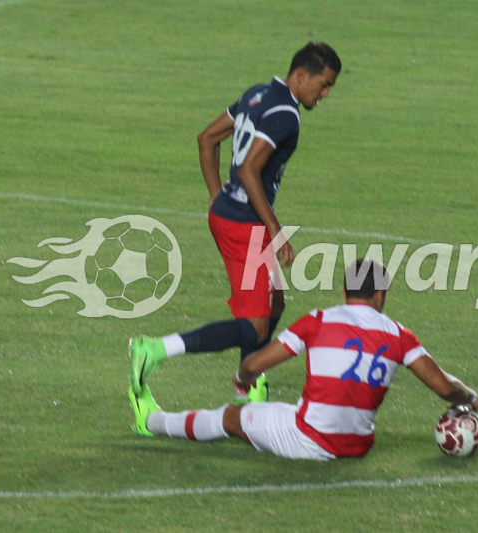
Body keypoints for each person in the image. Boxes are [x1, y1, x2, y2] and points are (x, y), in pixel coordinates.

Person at [129, 42, 342, 404]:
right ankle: (156, 349)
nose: (324, 94)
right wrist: (275, 230)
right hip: (245, 227)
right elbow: (248, 170)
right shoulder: (285, 114)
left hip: (230, 215)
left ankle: (250, 383)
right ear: (301, 75)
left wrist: (216, 196)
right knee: (256, 325)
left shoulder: (259, 93)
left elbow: (208, 137)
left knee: (273, 305)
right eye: (323, 85)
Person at [128, 259, 478, 460]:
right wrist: (472, 397)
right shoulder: (400, 334)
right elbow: (445, 387)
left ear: (345, 291)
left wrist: (242, 376)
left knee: (230, 416)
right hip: (358, 446)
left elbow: (256, 364)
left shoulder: (318, 321)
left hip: (308, 440)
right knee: (292, 409)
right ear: (380, 294)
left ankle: (151, 422)